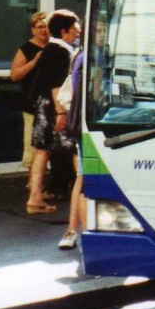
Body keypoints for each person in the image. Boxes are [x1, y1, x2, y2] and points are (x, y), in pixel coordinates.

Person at [26, 10, 81, 214]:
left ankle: (35, 199)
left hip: (44, 106)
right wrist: (61, 113)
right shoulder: (61, 52)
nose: (77, 31)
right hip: (55, 107)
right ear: (64, 31)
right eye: (74, 28)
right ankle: (86, 196)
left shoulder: (51, 49)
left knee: (43, 150)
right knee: (74, 148)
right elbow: (56, 85)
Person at [10, 12, 50, 172]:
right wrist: (35, 61)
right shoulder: (26, 49)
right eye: (40, 27)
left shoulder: (54, 46)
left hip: (52, 103)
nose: (44, 30)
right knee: (32, 146)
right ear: (33, 29)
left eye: (46, 26)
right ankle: (32, 182)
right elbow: (15, 75)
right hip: (32, 104)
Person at [58, 49, 85, 250]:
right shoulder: (87, 56)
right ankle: (82, 234)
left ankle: (72, 231)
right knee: (86, 181)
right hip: (89, 127)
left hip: (82, 126)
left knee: (82, 179)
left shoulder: (80, 55)